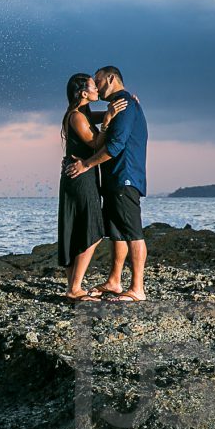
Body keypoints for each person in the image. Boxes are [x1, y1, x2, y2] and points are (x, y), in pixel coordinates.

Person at [65, 66, 149, 302]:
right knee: (116, 232)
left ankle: (137, 289)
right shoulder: (119, 104)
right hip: (113, 178)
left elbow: (114, 146)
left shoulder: (125, 104)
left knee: (133, 232)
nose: (97, 87)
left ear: (111, 79)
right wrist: (109, 114)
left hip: (124, 177)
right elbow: (93, 117)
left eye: (99, 81)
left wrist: (87, 165)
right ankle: (114, 281)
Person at [58, 73, 126, 301]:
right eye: (93, 86)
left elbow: (105, 115)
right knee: (93, 229)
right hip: (80, 176)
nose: (98, 88)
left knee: (76, 227)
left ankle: (73, 287)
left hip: (78, 174)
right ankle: (75, 288)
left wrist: (118, 109)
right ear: (83, 94)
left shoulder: (84, 113)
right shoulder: (77, 116)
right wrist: (107, 122)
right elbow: (96, 143)